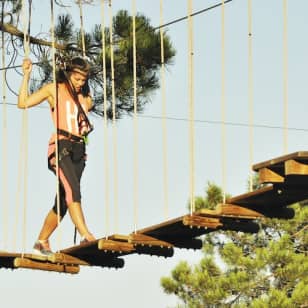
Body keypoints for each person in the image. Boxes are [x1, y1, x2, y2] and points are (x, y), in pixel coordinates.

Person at [18, 56, 96, 256]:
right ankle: (86, 234)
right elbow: (23, 103)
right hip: (61, 147)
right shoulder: (54, 89)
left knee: (62, 202)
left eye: (83, 80)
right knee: (73, 191)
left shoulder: (84, 98)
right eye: (77, 79)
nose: (80, 83)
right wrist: (26, 75)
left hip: (79, 151)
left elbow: (89, 105)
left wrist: (85, 90)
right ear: (68, 74)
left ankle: (41, 241)